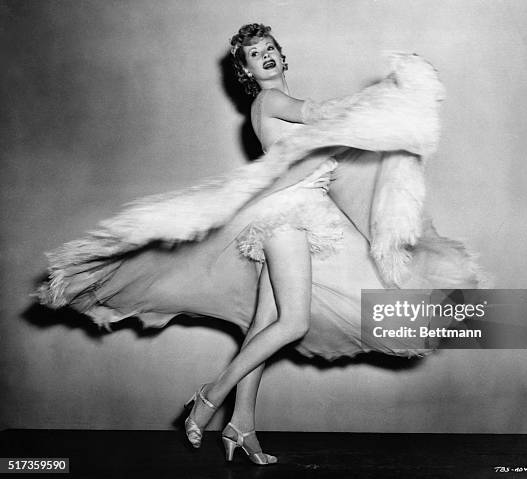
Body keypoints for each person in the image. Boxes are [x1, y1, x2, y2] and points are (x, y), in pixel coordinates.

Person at [38, 23, 487, 465]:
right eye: (255, 53)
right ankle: (207, 397)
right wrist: (393, 93)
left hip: (295, 217)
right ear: (246, 71)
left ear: (282, 55)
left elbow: (316, 142)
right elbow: (321, 114)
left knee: (263, 325)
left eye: (270, 47)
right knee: (293, 323)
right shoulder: (271, 100)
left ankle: (242, 424)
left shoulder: (274, 103)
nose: (266, 55)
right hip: (286, 219)